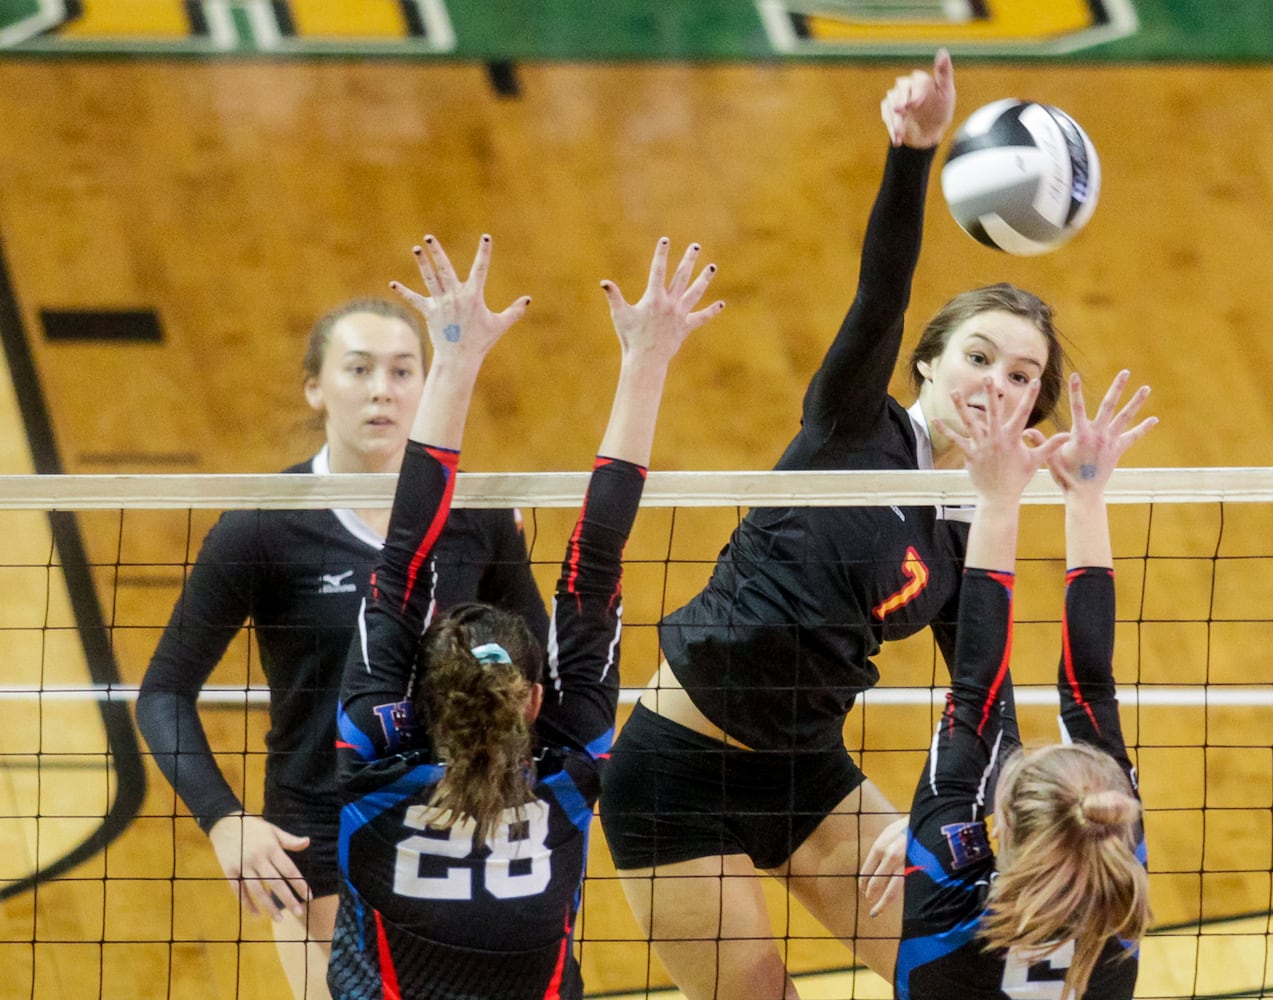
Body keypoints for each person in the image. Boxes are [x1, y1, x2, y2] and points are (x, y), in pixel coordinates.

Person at [598, 52, 1069, 997]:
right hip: (678, 776)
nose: (997, 384)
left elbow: (985, 687)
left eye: (1022, 378)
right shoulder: (854, 424)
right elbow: (881, 294)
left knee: (962, 978)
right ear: (928, 364)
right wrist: (912, 153)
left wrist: (953, 822)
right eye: (980, 356)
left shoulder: (967, 523)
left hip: (811, 778)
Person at [329, 233, 723, 999]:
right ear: (534, 700)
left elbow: (406, 550)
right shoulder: (567, 777)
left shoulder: (380, 759)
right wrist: (646, 364)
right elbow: (591, 568)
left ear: (423, 696)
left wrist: (454, 357)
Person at [136, 296, 549, 999]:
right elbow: (163, 692)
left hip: (456, 823)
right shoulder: (263, 526)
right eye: (358, 369)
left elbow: (533, 659)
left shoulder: (478, 514)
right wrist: (224, 819)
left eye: (401, 369)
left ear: (426, 385)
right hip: (322, 836)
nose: (382, 389)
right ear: (315, 387)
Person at [895, 370, 1155, 998]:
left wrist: (1075, 495)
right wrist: (1009, 499)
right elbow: (975, 692)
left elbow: (1089, 686)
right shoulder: (1115, 900)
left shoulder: (1125, 863)